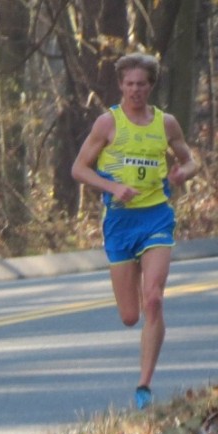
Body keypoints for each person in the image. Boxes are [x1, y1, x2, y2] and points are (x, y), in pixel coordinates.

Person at [71, 52, 198, 410]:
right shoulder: (107, 124)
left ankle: (144, 386)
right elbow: (79, 169)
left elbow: (190, 159)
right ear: (120, 85)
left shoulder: (166, 123)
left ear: (151, 86)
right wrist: (112, 188)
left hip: (156, 216)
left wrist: (184, 172)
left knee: (154, 297)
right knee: (130, 315)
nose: (135, 90)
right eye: (129, 84)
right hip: (120, 222)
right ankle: (141, 353)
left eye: (141, 84)